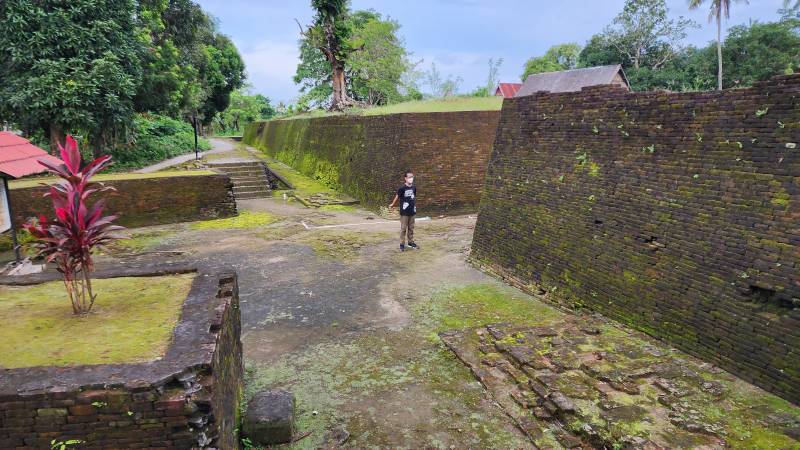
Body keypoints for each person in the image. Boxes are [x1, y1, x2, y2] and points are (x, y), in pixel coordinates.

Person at [389, 170, 419, 251]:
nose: (411, 178)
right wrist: (392, 204)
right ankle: (402, 244)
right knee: (403, 229)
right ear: (405, 178)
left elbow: (413, 198)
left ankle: (410, 242)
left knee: (411, 228)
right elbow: (397, 196)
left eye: (412, 177)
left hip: (412, 212)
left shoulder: (414, 187)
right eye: (409, 177)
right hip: (404, 213)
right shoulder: (402, 188)